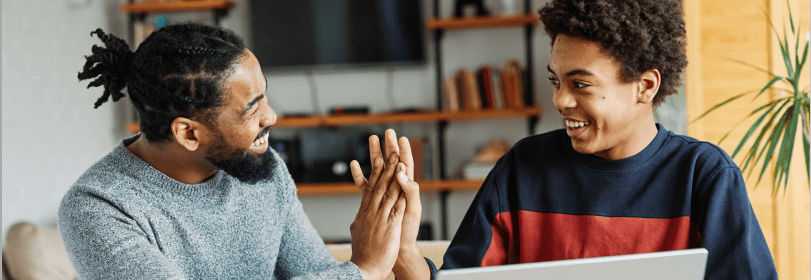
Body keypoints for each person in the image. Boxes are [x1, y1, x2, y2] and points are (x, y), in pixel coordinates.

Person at [355, 0, 778, 279]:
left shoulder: (704, 176)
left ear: (645, 86)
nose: (560, 100)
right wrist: (402, 250)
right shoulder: (523, 168)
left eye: (581, 84)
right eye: (556, 81)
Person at [58, 22, 432, 280]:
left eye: (265, 95)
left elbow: (315, 272)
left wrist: (393, 243)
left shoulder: (261, 170)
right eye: (252, 109)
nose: (271, 116)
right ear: (188, 133)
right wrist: (363, 268)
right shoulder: (99, 207)